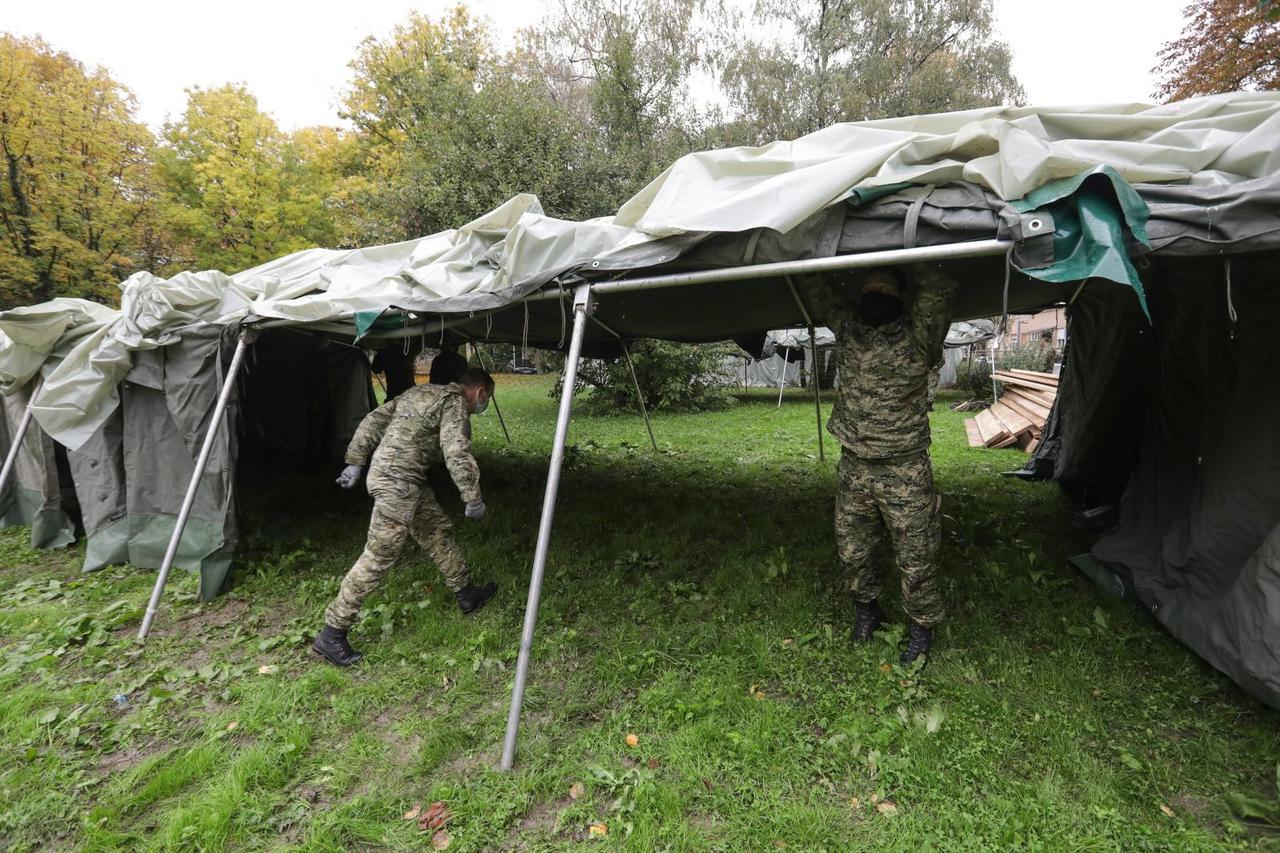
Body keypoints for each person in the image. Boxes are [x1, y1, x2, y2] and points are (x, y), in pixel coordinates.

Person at [810, 265, 956, 664]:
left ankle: (921, 627)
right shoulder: (850, 332)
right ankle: (867, 610)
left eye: (884, 290)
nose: (876, 296)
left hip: (903, 469)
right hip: (854, 464)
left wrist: (907, 246)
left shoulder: (918, 339)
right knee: (852, 547)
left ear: (899, 298)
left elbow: (939, 283)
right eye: (870, 289)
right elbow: (816, 288)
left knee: (916, 552)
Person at [313, 367, 499, 666]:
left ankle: (466, 592)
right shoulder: (454, 404)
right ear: (479, 391)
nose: (483, 403)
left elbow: (374, 419)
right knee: (378, 556)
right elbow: (456, 452)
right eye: (486, 397)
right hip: (396, 484)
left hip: (403, 481)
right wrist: (472, 497)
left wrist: (355, 462)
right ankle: (332, 633)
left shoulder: (420, 392)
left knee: (436, 532)